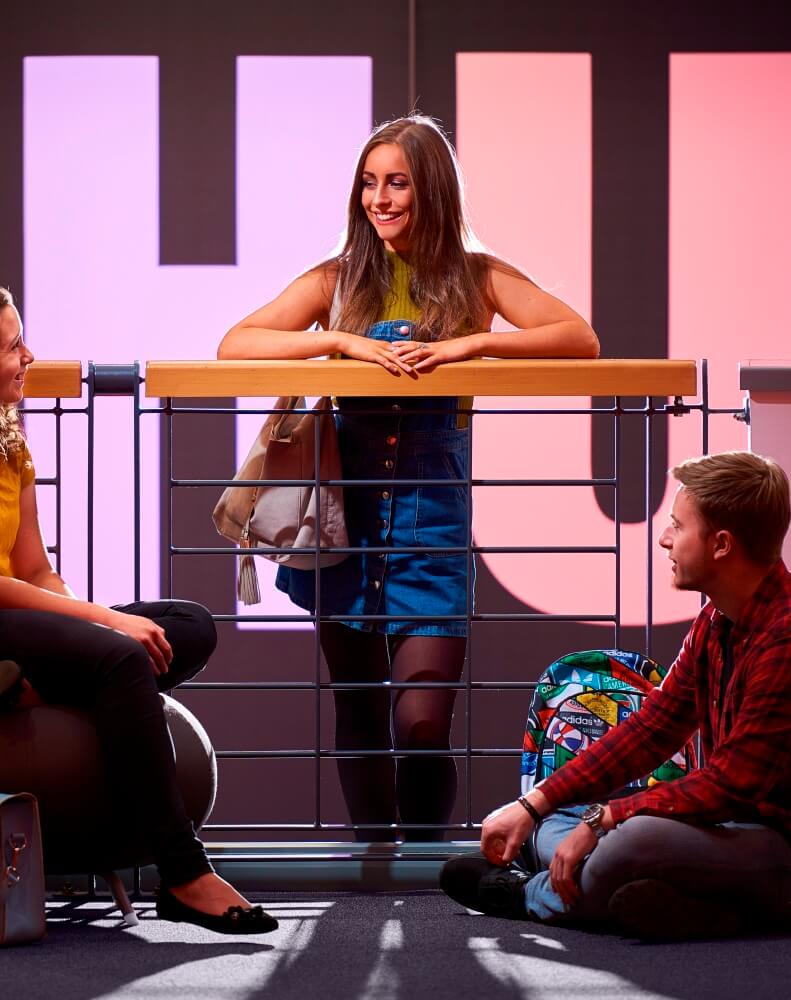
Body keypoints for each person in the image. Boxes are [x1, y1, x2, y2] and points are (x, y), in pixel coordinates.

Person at [0, 278, 276, 935]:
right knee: (120, 656)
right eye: (13, 347)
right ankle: (185, 875)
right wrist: (105, 628)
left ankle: (28, 691)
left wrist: (93, 619)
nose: (29, 357)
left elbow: (35, 572)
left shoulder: (6, 444)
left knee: (189, 626)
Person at [217, 114, 599, 840]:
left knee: (423, 721)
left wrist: (475, 346)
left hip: (433, 523)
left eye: (397, 182)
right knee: (358, 709)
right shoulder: (338, 279)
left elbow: (579, 336)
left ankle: (426, 882)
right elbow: (235, 342)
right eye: (369, 182)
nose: (380, 199)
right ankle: (373, 871)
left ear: (433, 190)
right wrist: (335, 339)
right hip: (345, 522)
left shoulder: (477, 276)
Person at [440, 452, 791, 941]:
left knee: (629, 835)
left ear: (721, 545)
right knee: (574, 817)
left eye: (678, 526)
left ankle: (524, 894)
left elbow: (730, 785)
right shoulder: (718, 620)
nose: (665, 539)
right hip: (735, 834)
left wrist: (606, 820)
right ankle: (697, 913)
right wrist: (535, 805)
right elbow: (650, 730)